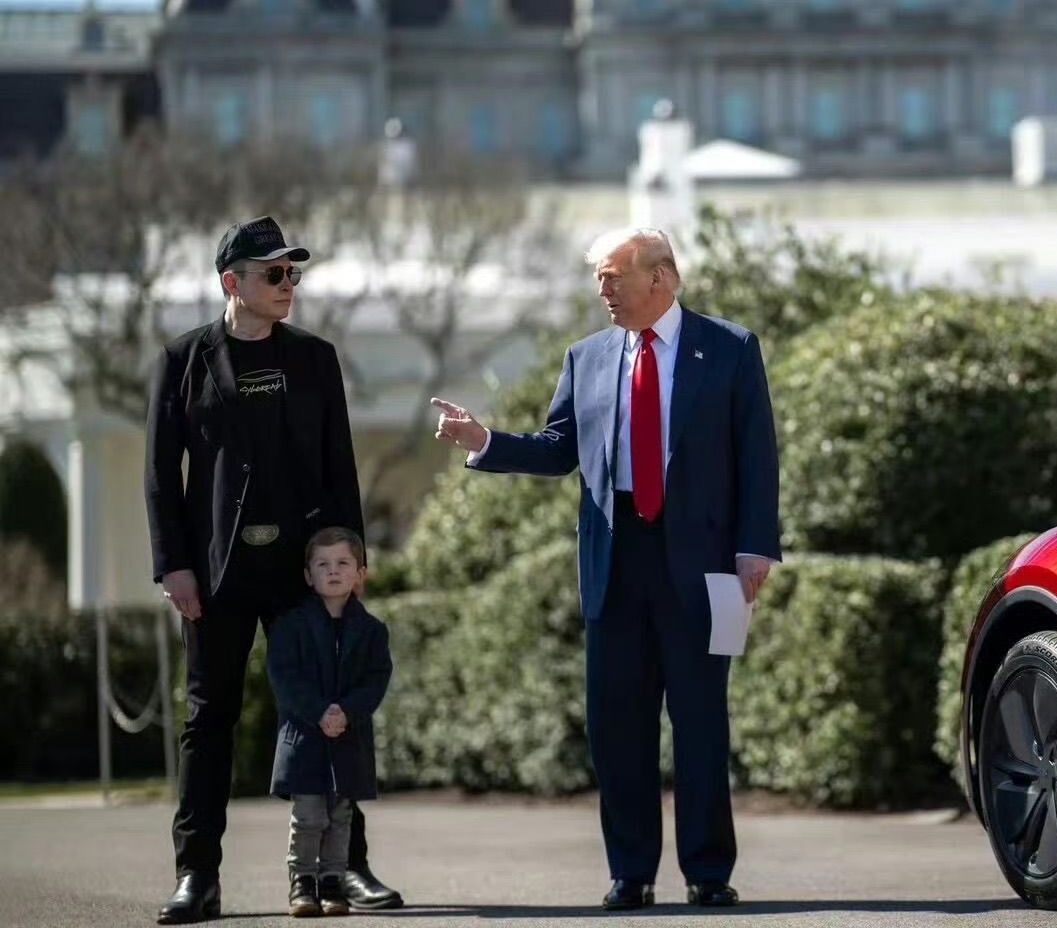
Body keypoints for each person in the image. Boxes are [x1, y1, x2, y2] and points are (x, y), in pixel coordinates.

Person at [431, 226, 781, 911]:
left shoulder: (730, 348)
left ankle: (708, 871)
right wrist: (485, 440)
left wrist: (755, 547)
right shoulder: (586, 356)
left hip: (704, 564)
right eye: (598, 278)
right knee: (617, 727)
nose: (603, 290)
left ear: (661, 277)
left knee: (701, 723)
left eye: (614, 276)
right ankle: (631, 872)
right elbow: (558, 448)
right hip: (615, 561)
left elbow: (756, 454)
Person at [145, 215, 403, 924]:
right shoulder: (183, 359)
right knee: (209, 720)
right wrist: (173, 565)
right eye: (275, 273)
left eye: (294, 273)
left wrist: (350, 557)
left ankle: (348, 868)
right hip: (217, 572)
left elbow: (340, 464)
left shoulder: (315, 358)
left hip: (305, 570)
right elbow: (162, 475)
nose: (289, 284)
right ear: (233, 282)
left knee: (332, 714)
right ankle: (197, 876)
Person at [267, 526, 393, 919]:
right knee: (309, 817)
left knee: (341, 817)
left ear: (360, 574)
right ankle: (303, 881)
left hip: (348, 739)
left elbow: (375, 679)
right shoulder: (290, 626)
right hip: (304, 738)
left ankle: (333, 882)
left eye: (343, 563)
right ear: (308, 576)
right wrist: (320, 711)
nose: (333, 571)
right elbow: (285, 677)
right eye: (322, 564)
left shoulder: (372, 631)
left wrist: (347, 712)